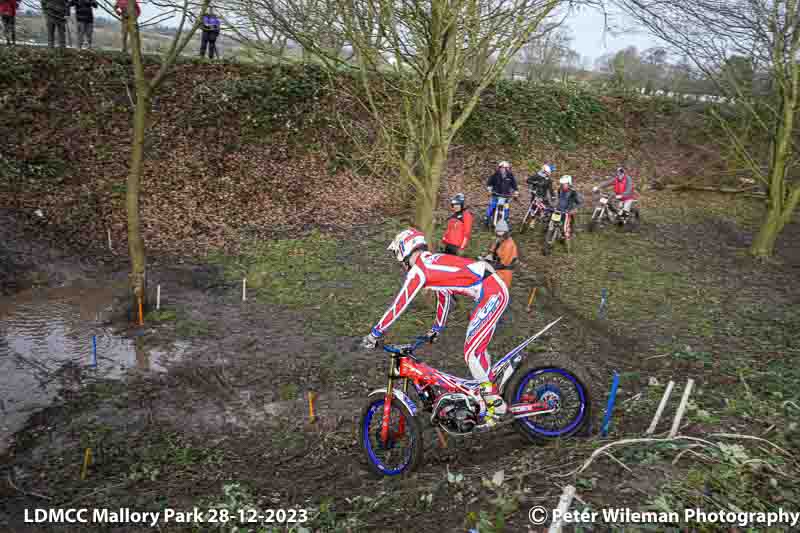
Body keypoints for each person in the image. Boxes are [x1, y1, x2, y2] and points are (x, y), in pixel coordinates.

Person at [361, 229, 511, 425]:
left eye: (398, 255)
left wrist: (375, 333)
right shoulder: (431, 260)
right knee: (476, 350)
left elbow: (400, 304)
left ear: (403, 249)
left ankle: (495, 404)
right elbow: (444, 294)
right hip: (490, 290)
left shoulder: (419, 270)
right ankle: (494, 384)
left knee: (471, 353)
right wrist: (437, 328)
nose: (400, 263)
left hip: (491, 292)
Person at [481, 220, 518, 290]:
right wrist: (487, 257)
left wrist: (490, 266)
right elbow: (493, 252)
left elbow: (503, 263)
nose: (498, 234)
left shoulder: (509, 244)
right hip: (497, 268)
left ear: (506, 232)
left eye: (500, 232)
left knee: (498, 291)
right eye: (497, 231)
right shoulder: (499, 240)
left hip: (503, 273)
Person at [485, 161, 519, 227]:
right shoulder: (495, 175)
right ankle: (487, 217)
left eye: (506, 168)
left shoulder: (510, 175)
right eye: (502, 168)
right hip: (496, 194)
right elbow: (489, 183)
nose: (503, 169)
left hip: (506, 196)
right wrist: (489, 190)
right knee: (492, 205)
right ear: (499, 168)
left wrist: (516, 192)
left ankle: (506, 220)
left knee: (506, 208)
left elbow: (514, 185)